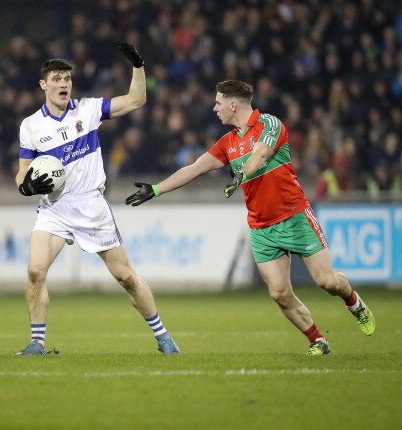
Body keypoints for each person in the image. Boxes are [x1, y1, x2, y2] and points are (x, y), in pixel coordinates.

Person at [125, 80, 376, 356]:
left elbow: (261, 153)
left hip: (295, 217)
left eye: (218, 102)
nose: (214, 108)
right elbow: (196, 168)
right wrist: (157, 189)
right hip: (261, 227)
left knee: (327, 282)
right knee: (279, 293)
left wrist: (242, 173)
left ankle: (354, 303)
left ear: (233, 105)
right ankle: (317, 339)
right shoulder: (227, 142)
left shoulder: (270, 124)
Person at [14, 43, 180, 355]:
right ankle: (37, 343)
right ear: (43, 85)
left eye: (67, 79)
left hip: (91, 205)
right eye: (57, 79)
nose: (63, 84)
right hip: (54, 209)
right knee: (35, 271)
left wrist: (138, 65)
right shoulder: (31, 126)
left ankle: (164, 338)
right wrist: (25, 187)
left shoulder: (88, 110)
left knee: (126, 277)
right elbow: (22, 173)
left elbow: (136, 100)